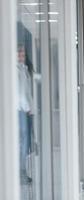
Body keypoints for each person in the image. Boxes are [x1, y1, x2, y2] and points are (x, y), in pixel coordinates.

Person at [17, 45, 33, 184]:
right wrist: (28, 108)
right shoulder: (17, 70)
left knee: (24, 142)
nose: (21, 56)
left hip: (25, 110)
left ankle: (22, 171)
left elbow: (27, 92)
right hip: (20, 110)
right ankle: (20, 172)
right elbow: (20, 94)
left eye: (23, 53)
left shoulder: (24, 70)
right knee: (23, 141)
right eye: (19, 53)